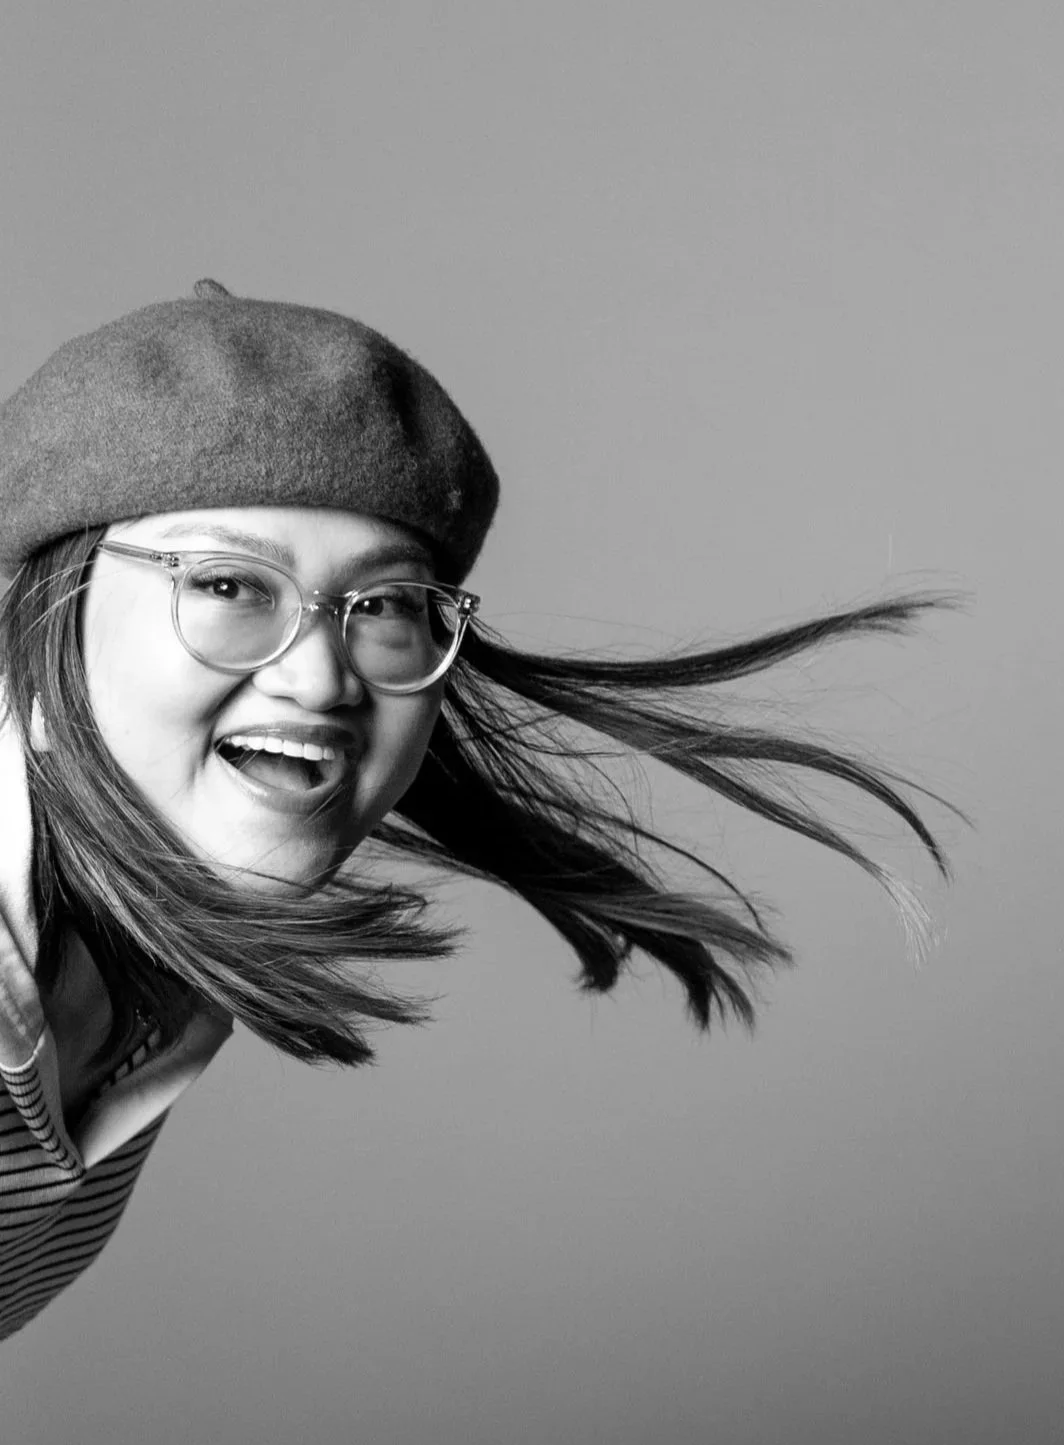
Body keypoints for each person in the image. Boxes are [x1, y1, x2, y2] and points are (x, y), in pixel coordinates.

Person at [0, 281, 947, 1341]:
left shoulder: (146, 988)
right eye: (226, 585)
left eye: (387, 606)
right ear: (34, 646)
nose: (319, 679)